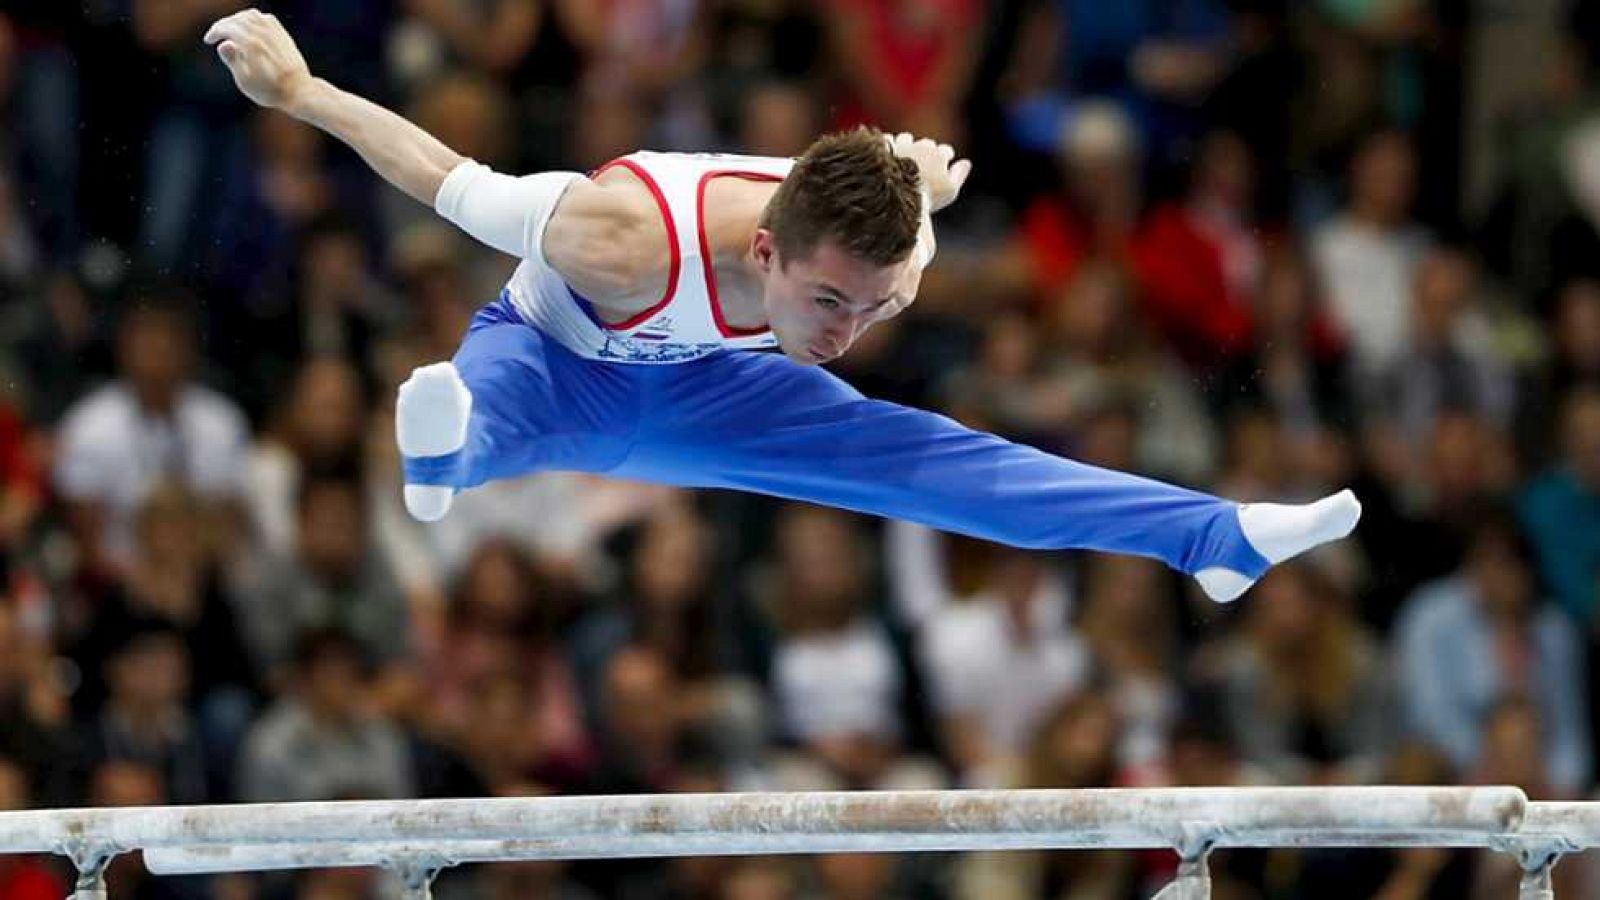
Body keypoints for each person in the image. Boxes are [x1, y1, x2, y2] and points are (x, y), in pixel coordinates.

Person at [203, 9, 1362, 603]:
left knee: (934, 458)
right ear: (763, 249)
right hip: (561, 353)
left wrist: (929, 199)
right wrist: (302, 92)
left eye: (868, 307)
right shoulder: (622, 237)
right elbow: (438, 176)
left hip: (708, 390)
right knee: (487, 402)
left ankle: (1209, 541)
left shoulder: (883, 252)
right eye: (822, 302)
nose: (843, 334)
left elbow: (892, 241)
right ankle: (448, 463)